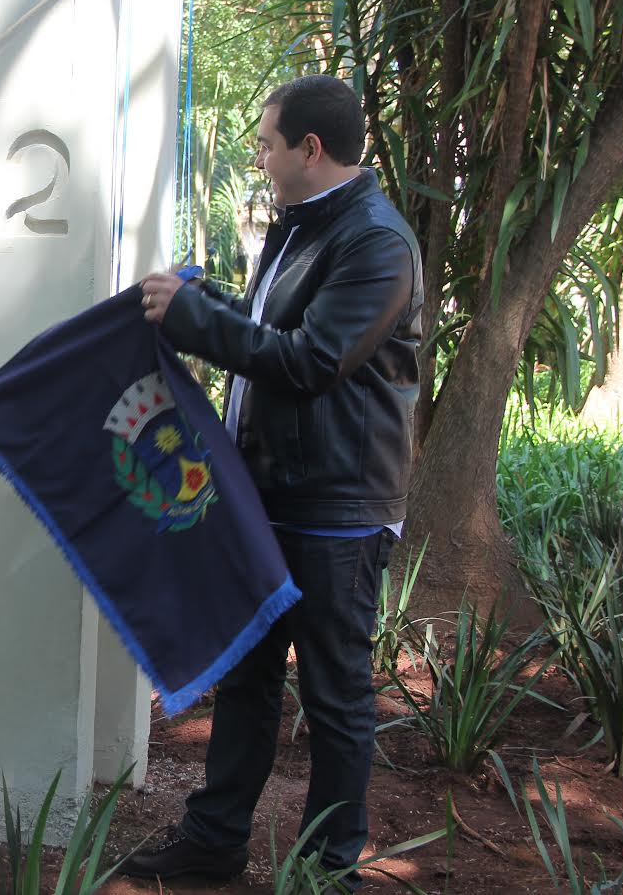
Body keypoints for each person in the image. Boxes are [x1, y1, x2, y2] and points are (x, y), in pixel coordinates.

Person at [120, 74, 423, 886]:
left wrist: (191, 318)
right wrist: (204, 298)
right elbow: (267, 328)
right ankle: (216, 840)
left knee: (334, 693)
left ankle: (329, 867)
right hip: (269, 492)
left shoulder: (376, 242)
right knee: (248, 677)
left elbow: (312, 360)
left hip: (337, 504)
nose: (258, 155)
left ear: (310, 149)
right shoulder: (299, 227)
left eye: (266, 143)